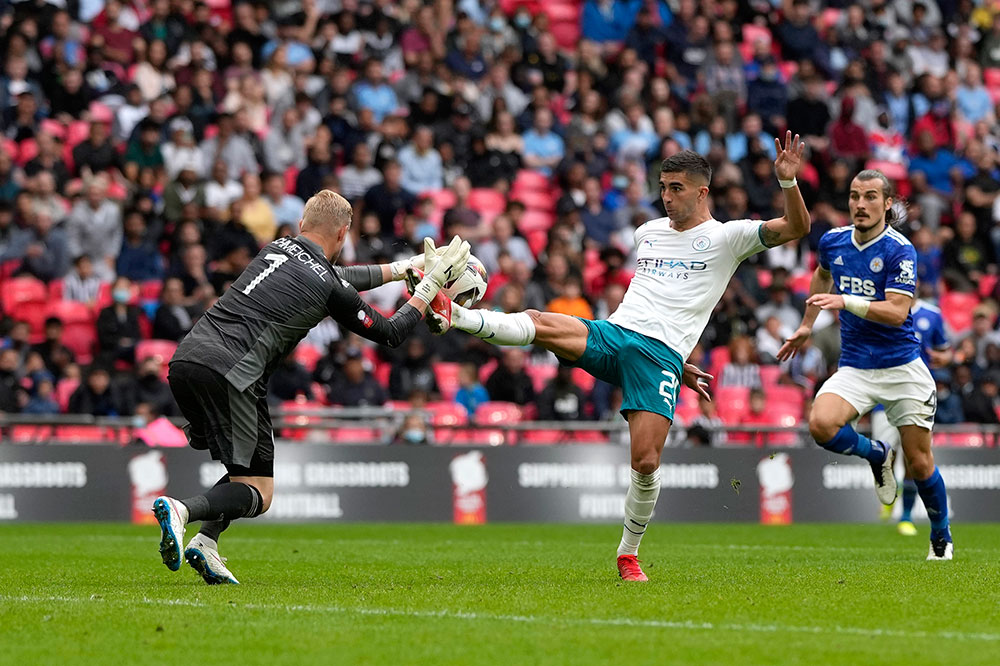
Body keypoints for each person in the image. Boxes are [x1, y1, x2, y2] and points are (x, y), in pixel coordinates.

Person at [416, 137, 810, 581]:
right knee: (541, 322)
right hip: (615, 334)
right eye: (663, 186)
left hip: (659, 356)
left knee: (644, 461)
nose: (666, 196)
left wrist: (787, 179)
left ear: (702, 192)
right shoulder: (647, 233)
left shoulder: (728, 236)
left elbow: (796, 227)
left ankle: (628, 554)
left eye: (676, 188)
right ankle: (454, 313)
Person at [152, 190, 470, 585]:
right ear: (343, 235)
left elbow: (337, 280)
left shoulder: (278, 247)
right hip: (234, 373)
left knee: (244, 471)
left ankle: (207, 543)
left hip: (187, 360)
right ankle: (183, 510)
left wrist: (405, 266)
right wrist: (427, 288)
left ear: (303, 224)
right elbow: (388, 332)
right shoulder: (326, 281)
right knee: (259, 491)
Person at [778, 170, 953, 561]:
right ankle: (877, 454)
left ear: (887, 204)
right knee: (821, 425)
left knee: (921, 463)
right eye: (855, 196)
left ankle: (940, 534)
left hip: (902, 367)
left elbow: (896, 311)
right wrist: (806, 326)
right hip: (856, 365)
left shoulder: (898, 249)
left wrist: (845, 302)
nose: (860, 204)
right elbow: (822, 275)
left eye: (870, 196)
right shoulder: (833, 241)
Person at [872, 284, 953, 536]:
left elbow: (944, 349)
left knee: (913, 457)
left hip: (916, 395)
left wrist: (946, 358)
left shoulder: (932, 314)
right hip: (883, 395)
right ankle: (889, 489)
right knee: (884, 455)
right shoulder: (883, 311)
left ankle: (905, 516)